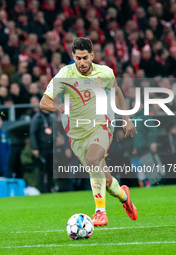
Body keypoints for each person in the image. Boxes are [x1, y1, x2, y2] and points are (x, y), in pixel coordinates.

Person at [40, 38, 138, 226]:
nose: (82, 62)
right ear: (73, 56)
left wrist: (127, 119)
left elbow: (116, 91)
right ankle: (124, 196)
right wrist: (58, 106)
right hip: (76, 135)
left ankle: (100, 212)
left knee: (94, 161)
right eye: (78, 58)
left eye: (85, 58)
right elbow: (43, 102)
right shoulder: (64, 75)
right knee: (105, 180)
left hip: (100, 126)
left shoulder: (105, 73)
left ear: (92, 55)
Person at [30, 109, 54, 193]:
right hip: (41, 148)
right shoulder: (37, 117)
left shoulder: (51, 117)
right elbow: (33, 133)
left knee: (51, 170)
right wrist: (35, 148)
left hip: (51, 148)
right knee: (42, 170)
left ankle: (49, 188)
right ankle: (42, 190)